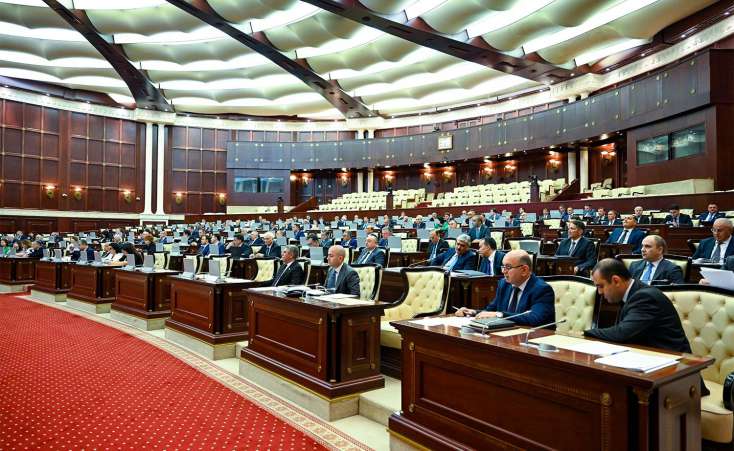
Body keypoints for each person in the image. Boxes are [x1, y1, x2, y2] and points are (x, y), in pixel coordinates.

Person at [584, 259, 706, 395]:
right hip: (653, 369)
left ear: (616, 280)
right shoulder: (632, 294)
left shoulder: (645, 297)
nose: (599, 292)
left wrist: (586, 333)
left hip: (678, 377)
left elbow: (622, 333)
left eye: (601, 286)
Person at [456, 250, 554, 326]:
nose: (503, 271)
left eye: (508, 267)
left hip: (533, 339)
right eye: (503, 267)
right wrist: (473, 312)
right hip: (505, 336)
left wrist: (500, 315)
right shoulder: (504, 284)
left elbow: (535, 318)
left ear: (524, 270)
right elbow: (492, 310)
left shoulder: (542, 289)